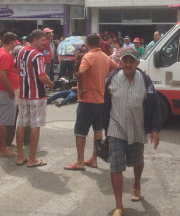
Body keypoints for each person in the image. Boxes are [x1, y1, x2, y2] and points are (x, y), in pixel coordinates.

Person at [103, 48, 160, 216]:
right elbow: (105, 103)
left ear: (137, 62)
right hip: (116, 127)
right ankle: (119, 206)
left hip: (137, 128)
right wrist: (103, 126)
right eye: (125, 61)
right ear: (121, 61)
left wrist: (155, 129)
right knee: (116, 165)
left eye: (131, 61)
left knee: (137, 161)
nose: (128, 64)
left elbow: (155, 104)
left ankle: (136, 184)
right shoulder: (112, 78)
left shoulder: (145, 80)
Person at [64, 34, 119, 171]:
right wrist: (105, 76)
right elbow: (116, 67)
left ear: (87, 43)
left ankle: (80, 161)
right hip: (100, 100)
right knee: (97, 130)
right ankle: (94, 159)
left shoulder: (88, 57)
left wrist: (81, 88)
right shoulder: (105, 57)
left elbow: (82, 72)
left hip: (87, 99)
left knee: (80, 131)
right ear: (99, 43)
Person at [16, 29, 54, 167]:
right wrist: (51, 83)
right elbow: (42, 76)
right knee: (35, 126)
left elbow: (16, 69)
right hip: (36, 95)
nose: (45, 42)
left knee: (21, 124)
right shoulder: (37, 55)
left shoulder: (20, 52)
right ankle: (32, 159)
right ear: (35, 40)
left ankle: (20, 157)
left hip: (24, 94)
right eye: (43, 40)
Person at [0, 32, 19, 157]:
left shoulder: (2, 52)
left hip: (1, 90)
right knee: (2, 121)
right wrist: (10, 90)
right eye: (15, 42)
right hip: (4, 91)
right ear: (12, 41)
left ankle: (0, 146)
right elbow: (3, 75)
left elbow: (7, 71)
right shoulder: (5, 55)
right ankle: (2, 148)